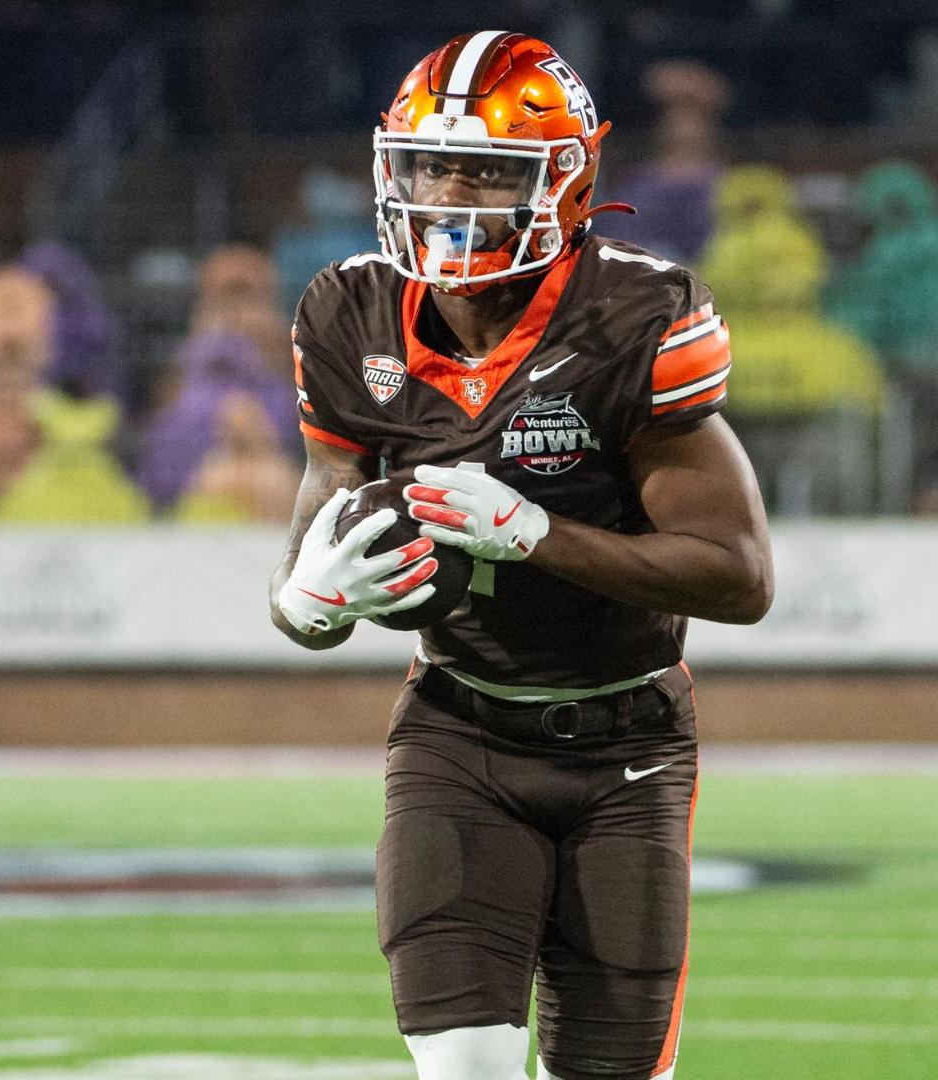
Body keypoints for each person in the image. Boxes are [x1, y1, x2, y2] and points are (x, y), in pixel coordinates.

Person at [269, 33, 773, 1080]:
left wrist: (539, 535)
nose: (451, 192)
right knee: (465, 1071)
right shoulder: (346, 310)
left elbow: (739, 575)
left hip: (626, 741)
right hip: (458, 731)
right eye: (428, 164)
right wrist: (303, 601)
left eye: (489, 169)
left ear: (568, 181)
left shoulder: (635, 314)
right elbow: (327, 494)